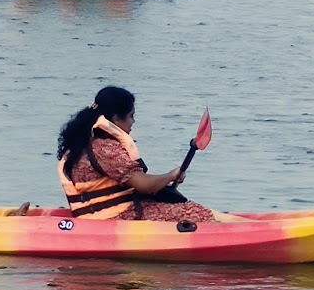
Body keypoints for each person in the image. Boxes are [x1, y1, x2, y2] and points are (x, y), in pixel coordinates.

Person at [55, 86, 227, 223]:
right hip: (112, 218)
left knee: (190, 207)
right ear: (116, 119)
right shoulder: (104, 149)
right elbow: (144, 185)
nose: (133, 122)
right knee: (197, 213)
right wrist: (171, 175)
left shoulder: (87, 143)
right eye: (131, 116)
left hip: (108, 213)